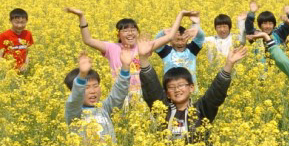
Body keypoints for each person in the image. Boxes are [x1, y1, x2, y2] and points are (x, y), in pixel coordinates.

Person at [65, 8, 194, 100]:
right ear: (118, 34)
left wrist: (181, 14)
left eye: (133, 30)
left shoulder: (143, 47)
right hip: (122, 95)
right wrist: (81, 17)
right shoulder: (112, 48)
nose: (130, 33)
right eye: (125, 30)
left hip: (143, 94)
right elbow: (88, 40)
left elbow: (170, 36)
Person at [138, 39, 247, 145]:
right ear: (166, 93)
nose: (177, 90)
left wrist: (229, 65)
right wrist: (143, 58)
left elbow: (215, 93)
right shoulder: (163, 110)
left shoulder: (201, 110)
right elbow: (151, 88)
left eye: (181, 85)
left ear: (191, 87)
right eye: (171, 87)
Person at [64, 49, 132, 146]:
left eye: (95, 86)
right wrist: (82, 75)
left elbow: (118, 94)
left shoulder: (104, 108)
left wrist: (125, 67)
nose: (92, 91)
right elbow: (75, 99)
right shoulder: (74, 113)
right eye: (86, 88)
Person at [154, 12, 205, 88]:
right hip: (170, 89)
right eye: (177, 40)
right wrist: (163, 32)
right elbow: (155, 44)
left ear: (187, 38)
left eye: (183, 39)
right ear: (170, 40)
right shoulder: (166, 52)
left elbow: (201, 38)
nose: (180, 43)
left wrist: (197, 29)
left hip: (190, 89)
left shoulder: (192, 50)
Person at [0, 8, 33, 72]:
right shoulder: (4, 35)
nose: (19, 25)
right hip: (8, 71)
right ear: (10, 21)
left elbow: (28, 52)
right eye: (16, 22)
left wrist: (26, 65)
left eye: (22, 23)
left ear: (27, 21)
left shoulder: (28, 34)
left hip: (22, 70)